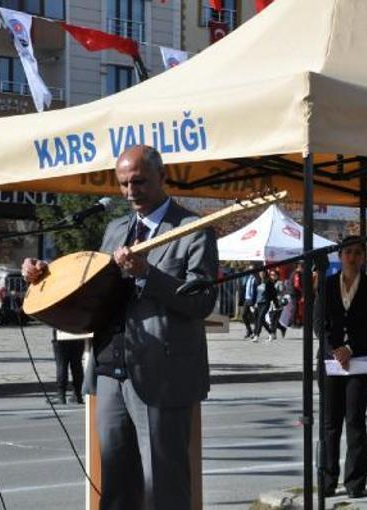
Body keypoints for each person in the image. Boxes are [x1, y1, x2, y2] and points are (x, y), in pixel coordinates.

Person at [22, 144, 218, 510]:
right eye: (123, 184)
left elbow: (201, 302)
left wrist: (147, 274)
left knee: (164, 488)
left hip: (163, 377)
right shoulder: (115, 229)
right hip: (110, 373)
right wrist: (44, 273)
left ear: (163, 177)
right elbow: (91, 280)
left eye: (139, 182)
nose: (130, 192)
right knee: (115, 488)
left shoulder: (193, 230)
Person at [317, 237, 367, 498]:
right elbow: (319, 324)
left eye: (357, 253)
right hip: (331, 363)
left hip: (360, 361)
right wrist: (335, 349)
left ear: (364, 257)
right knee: (330, 423)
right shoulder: (327, 285)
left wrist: (350, 348)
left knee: (354, 420)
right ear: (340, 256)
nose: (352, 257)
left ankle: (355, 483)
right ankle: (327, 480)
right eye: (347, 252)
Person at [51, 331, 85, 405]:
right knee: (77, 364)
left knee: (61, 365)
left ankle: (61, 395)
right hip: (78, 331)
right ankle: (77, 394)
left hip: (61, 332)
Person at [252, 269, 277, 342]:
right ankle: (271, 333)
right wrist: (253, 303)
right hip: (258, 303)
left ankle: (256, 335)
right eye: (260, 273)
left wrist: (275, 303)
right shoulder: (257, 281)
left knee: (260, 317)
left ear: (265, 273)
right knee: (261, 319)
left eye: (263, 273)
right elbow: (255, 293)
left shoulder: (269, 282)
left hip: (266, 302)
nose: (261, 274)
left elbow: (273, 293)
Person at [241, 265, 259, 339]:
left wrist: (255, 302)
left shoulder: (257, 279)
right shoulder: (247, 278)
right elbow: (244, 288)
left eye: (252, 269)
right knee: (244, 315)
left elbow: (257, 291)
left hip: (253, 300)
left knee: (254, 317)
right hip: (247, 299)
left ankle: (255, 332)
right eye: (249, 269)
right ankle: (249, 330)